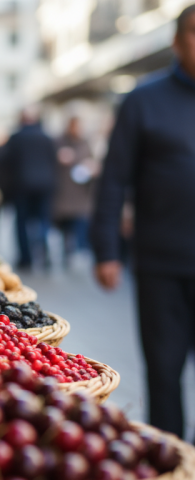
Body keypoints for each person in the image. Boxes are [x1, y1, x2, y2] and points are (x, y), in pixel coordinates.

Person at [92, 4, 195, 440]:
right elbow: (113, 179)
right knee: (164, 371)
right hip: (161, 264)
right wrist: (106, 250)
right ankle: (170, 455)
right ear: (177, 41)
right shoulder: (143, 100)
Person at [0, 109, 58, 269]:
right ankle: (44, 254)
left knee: (22, 222)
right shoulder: (46, 137)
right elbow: (54, 160)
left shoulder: (16, 138)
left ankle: (26, 258)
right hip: (44, 185)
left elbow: (5, 162)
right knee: (43, 221)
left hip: (22, 185)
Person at [53, 117, 96, 265]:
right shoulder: (58, 142)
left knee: (79, 222)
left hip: (80, 192)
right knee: (65, 224)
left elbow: (92, 162)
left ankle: (78, 250)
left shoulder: (85, 143)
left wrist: (91, 168)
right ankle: (67, 251)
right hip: (63, 191)